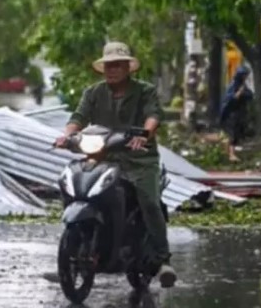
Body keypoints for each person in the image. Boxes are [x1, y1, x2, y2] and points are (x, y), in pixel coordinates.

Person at [55, 41, 177, 288]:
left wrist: (145, 133)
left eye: (118, 65)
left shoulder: (145, 91)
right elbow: (78, 117)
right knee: (75, 184)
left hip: (139, 159)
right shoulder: (94, 92)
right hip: (105, 156)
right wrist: (67, 135)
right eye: (109, 66)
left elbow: (154, 115)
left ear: (128, 68)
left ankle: (163, 259)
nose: (112, 70)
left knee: (149, 202)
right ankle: (82, 243)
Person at [220, 65, 253, 162]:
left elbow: (249, 95)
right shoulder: (234, 85)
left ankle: (231, 152)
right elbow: (230, 99)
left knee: (237, 133)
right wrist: (239, 93)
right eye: (244, 75)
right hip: (232, 113)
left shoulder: (242, 85)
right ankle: (231, 154)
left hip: (239, 112)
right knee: (232, 134)